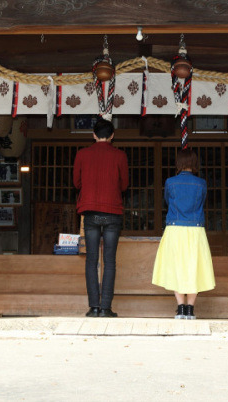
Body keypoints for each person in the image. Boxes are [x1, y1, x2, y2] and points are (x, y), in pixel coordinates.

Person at [73, 118, 129, 318]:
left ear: (94, 135)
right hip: (112, 210)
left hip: (90, 211)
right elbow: (124, 185)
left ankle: (93, 307)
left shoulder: (82, 154)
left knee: (91, 260)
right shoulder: (120, 155)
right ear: (112, 136)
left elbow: (76, 183)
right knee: (110, 261)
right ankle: (106, 307)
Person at [151, 147, 216, 319]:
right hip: (195, 229)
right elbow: (202, 201)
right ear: (195, 163)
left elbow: (167, 201)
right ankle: (190, 309)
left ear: (178, 163)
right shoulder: (201, 183)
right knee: (194, 267)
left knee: (176, 266)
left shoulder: (170, 182)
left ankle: (180, 308)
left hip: (175, 228)